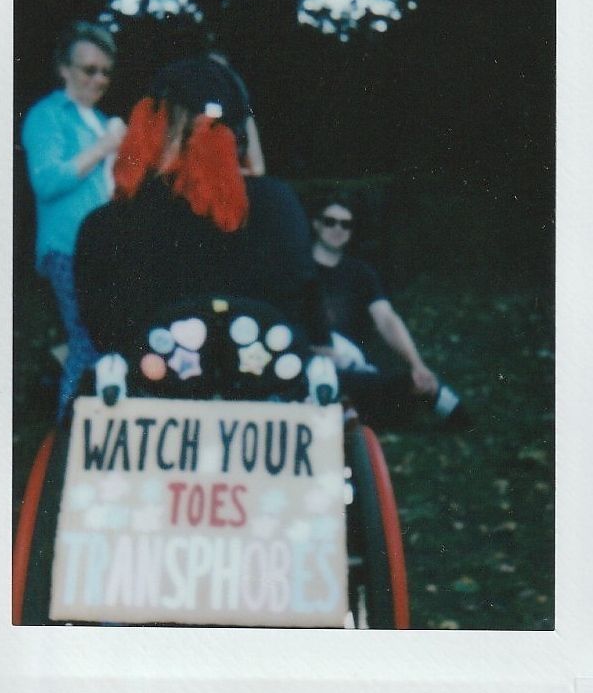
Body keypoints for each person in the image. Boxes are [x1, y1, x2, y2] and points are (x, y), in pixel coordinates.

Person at [74, 60, 324, 363]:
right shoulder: (279, 206)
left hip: (150, 395)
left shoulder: (103, 226)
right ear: (240, 136)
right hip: (265, 391)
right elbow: (304, 310)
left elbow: (104, 332)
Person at [21, 21, 126, 419]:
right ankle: (69, 434)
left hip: (103, 251)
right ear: (64, 69)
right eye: (89, 69)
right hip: (66, 248)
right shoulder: (48, 116)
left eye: (105, 71)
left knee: (100, 340)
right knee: (86, 338)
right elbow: (46, 182)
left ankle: (92, 429)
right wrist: (103, 148)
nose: (99, 79)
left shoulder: (100, 121)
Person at [310, 194, 469, 428]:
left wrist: (417, 363)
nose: (338, 229)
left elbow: (386, 318)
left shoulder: (361, 273)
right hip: (309, 360)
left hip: (353, 367)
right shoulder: (299, 268)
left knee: (412, 383)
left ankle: (459, 421)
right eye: (330, 221)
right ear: (316, 224)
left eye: (346, 224)